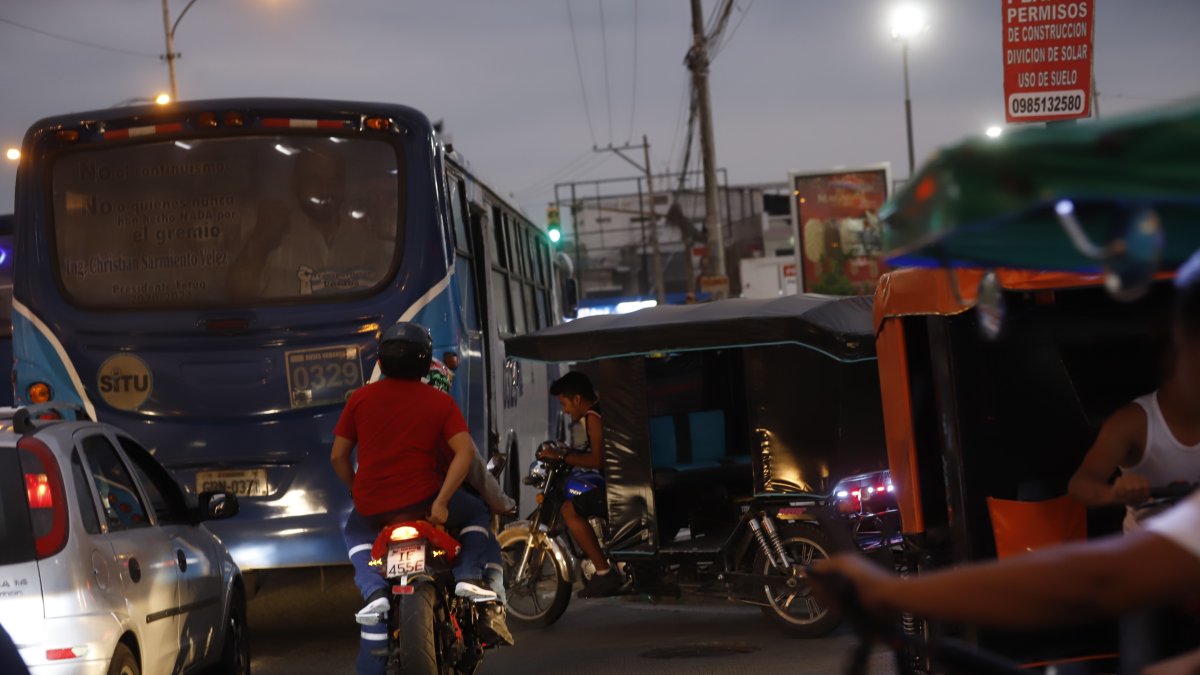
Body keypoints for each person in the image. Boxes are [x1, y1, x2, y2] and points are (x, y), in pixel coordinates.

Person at [814, 256, 1200, 672]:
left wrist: (889, 592)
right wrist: (1113, 492)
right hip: (1145, 569)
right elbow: (1084, 496)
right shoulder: (1134, 422)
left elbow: (1096, 582)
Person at [331, 323, 513, 675]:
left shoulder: (359, 399)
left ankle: (374, 592)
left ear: (382, 361)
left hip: (374, 508)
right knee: (475, 513)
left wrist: (357, 490)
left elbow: (338, 457)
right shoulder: (440, 402)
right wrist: (443, 501)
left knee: (354, 531)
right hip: (424, 501)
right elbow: (465, 454)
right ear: (425, 361)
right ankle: (467, 575)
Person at [227, 146, 393, 299]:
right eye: (314, 179)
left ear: (344, 184)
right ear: (296, 183)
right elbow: (237, 293)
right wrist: (260, 241)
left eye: (334, 179)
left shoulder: (365, 240)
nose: (325, 189)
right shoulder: (273, 232)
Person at [536, 371, 624, 598]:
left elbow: (596, 460)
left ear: (577, 399)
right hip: (622, 482)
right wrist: (568, 453)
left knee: (569, 510)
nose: (565, 410)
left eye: (565, 403)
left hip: (618, 488)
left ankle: (604, 572)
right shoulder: (601, 410)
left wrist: (562, 457)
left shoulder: (594, 416)